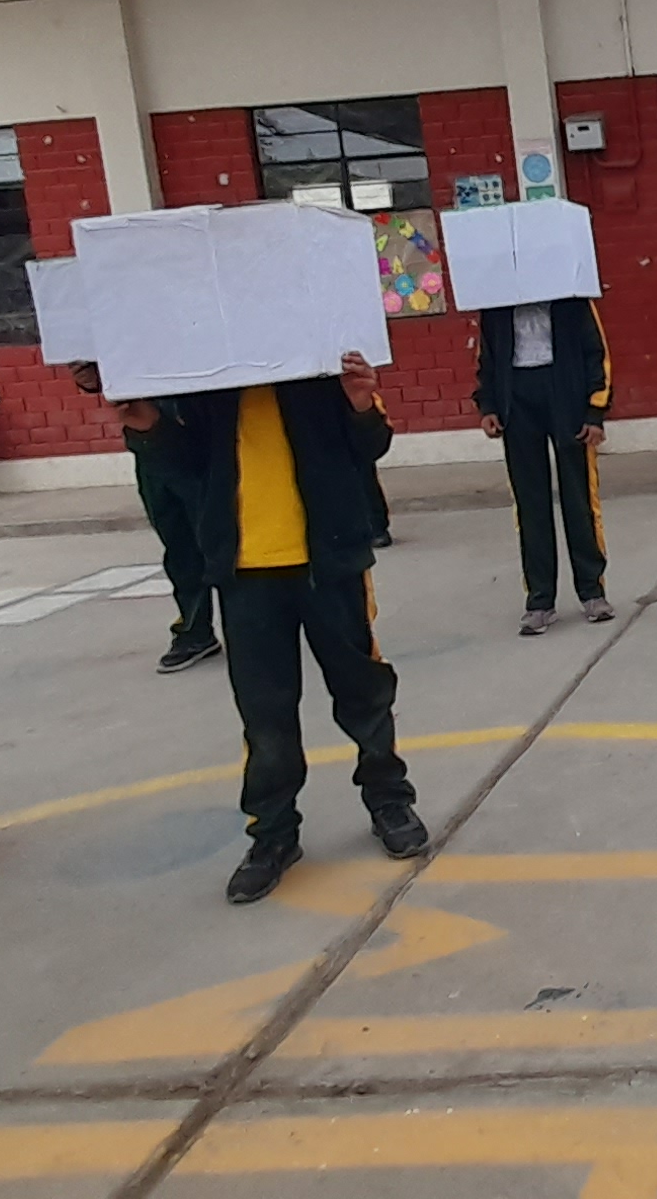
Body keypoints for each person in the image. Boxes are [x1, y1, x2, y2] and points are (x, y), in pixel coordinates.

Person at [118, 353, 425, 903]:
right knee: (265, 714)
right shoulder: (206, 373)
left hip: (328, 560)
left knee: (363, 691)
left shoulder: (320, 358)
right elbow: (188, 465)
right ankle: (273, 834)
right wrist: (148, 425)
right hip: (244, 572)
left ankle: (389, 799)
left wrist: (360, 404)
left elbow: (369, 447)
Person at [475, 297, 613, 636]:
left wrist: (595, 410)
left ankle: (592, 591)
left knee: (579, 498)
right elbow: (487, 356)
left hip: (565, 393)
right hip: (517, 399)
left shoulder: (572, 297)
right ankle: (540, 600)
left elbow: (596, 351)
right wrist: (488, 404)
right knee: (530, 503)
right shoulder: (496, 301)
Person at [74, 362, 219, 672]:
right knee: (179, 545)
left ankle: (260, 626)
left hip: (201, 421)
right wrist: (92, 376)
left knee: (223, 536)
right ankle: (194, 629)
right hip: (149, 439)